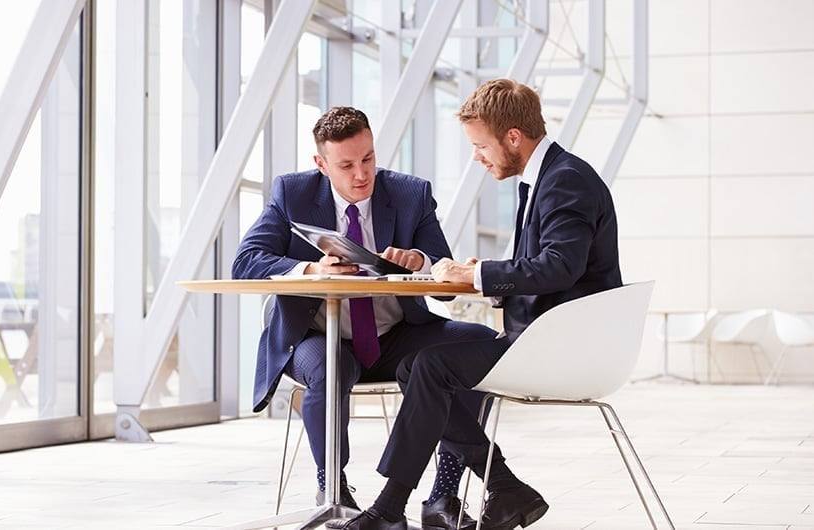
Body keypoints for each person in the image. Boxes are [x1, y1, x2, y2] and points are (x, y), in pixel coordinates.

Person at [341, 79, 622, 530]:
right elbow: (548, 265)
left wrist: (477, 275)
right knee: (417, 367)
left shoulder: (565, 180)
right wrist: (480, 272)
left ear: (513, 137)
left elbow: (560, 267)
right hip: (550, 339)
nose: (477, 157)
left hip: (564, 348)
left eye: (480, 146)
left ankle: (393, 507)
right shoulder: (549, 177)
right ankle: (503, 489)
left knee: (429, 367)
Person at [233, 107, 525, 528]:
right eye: (346, 165)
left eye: (368, 159)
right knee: (332, 366)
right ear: (321, 164)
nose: (361, 174)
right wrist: (312, 269)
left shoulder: (409, 194)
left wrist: (420, 260)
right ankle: (333, 488)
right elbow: (246, 260)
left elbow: (444, 270)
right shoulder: (292, 193)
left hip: (395, 336)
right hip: (317, 338)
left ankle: (442, 494)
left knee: (476, 344)